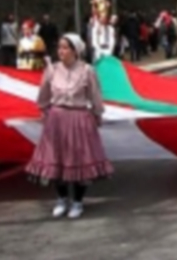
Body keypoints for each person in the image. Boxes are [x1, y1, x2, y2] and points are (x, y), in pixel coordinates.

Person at [26, 34, 113, 219]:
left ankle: (78, 202)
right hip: (57, 119)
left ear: (75, 51)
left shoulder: (87, 71)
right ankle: (61, 199)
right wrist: (46, 113)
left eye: (65, 48)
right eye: (59, 48)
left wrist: (97, 114)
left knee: (78, 162)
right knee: (57, 161)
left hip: (79, 118)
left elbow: (95, 96)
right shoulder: (52, 70)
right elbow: (43, 96)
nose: (61, 51)